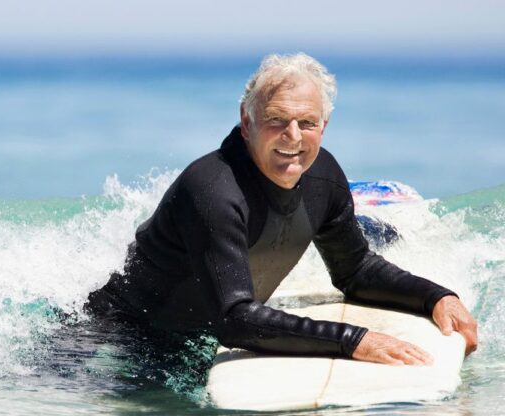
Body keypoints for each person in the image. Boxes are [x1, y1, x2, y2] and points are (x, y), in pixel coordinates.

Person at [86, 53, 478, 365]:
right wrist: (353, 340)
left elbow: (355, 271)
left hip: (204, 333)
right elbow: (236, 319)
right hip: (120, 338)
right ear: (246, 122)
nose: (293, 137)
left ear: (324, 125)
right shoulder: (211, 191)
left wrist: (437, 297)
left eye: (307, 122)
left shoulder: (323, 174)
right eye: (276, 120)